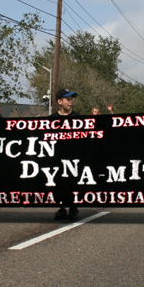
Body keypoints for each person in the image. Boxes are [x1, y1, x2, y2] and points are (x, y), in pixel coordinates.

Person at [50, 88, 81, 221]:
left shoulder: (77, 117)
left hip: (74, 157)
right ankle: (62, 208)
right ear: (59, 101)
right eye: (68, 99)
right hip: (57, 157)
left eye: (71, 99)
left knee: (73, 182)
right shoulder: (52, 119)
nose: (70, 102)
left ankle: (73, 208)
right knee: (59, 182)